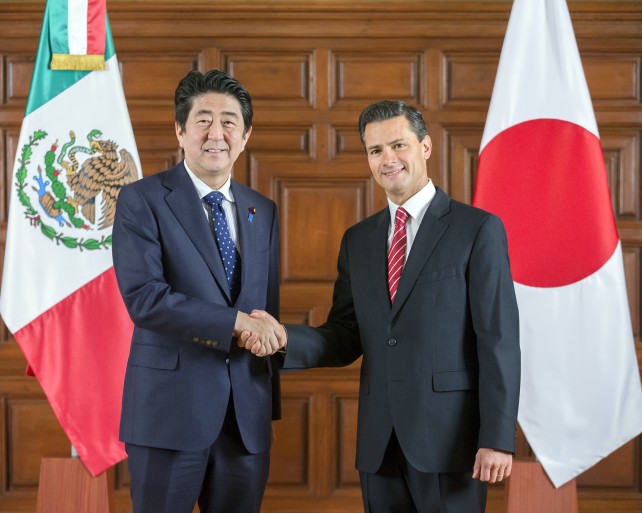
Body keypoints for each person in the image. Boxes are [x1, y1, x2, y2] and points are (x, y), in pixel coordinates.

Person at [241, 100, 520, 512]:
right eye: (375, 150)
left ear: (424, 147)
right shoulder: (359, 240)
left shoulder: (477, 229)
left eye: (398, 145)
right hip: (379, 444)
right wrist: (282, 339)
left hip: (451, 443)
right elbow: (345, 335)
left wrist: (496, 438)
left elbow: (498, 339)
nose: (387, 159)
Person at [112, 69, 286, 513]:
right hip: (168, 414)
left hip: (245, 418)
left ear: (245, 135)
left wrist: (271, 385)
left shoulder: (261, 210)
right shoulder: (142, 200)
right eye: (203, 120)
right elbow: (145, 298)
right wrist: (236, 323)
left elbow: (265, 309)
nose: (216, 133)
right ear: (180, 131)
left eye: (229, 121)